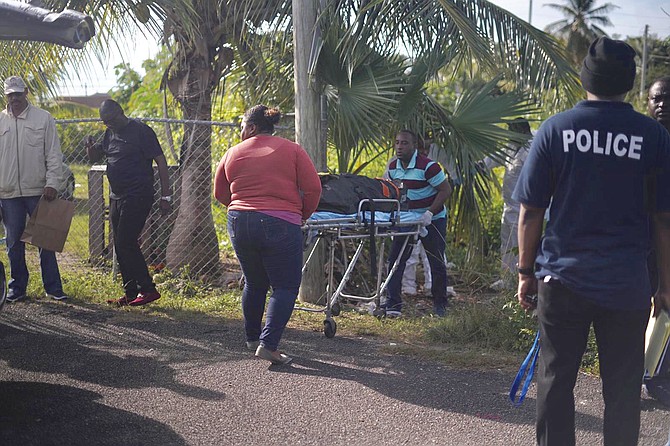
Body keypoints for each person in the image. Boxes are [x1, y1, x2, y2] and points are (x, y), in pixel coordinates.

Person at [514, 37, 670, 446]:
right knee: (622, 390)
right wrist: (666, 287)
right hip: (626, 285)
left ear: (586, 77)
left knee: (555, 380)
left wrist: (525, 273)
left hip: (562, 281)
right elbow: (663, 220)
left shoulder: (556, 129)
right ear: (629, 82)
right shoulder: (651, 137)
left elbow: (531, 210)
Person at [214, 105, 321, 365]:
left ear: (251, 128)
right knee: (284, 286)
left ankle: (252, 338)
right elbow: (313, 188)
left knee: (254, 282)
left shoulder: (231, 153)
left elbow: (220, 193)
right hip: (280, 222)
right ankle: (268, 345)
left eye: (242, 126)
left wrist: (243, 208)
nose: (241, 131)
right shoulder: (292, 150)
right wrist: (301, 214)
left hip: (239, 221)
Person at [85, 99, 171, 307]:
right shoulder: (108, 134)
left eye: (111, 120)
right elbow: (94, 156)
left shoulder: (141, 131)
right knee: (120, 244)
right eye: (105, 122)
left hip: (138, 195)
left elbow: (161, 161)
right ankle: (131, 292)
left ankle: (148, 289)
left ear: (121, 112)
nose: (108, 125)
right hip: (117, 196)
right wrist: (89, 147)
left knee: (126, 241)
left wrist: (166, 196)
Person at [0, 75, 68, 302]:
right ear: (6, 95)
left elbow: (53, 154)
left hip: (39, 191)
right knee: (13, 243)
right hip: (8, 193)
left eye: (18, 94)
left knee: (45, 241)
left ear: (26, 92)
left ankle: (53, 288)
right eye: (11, 95)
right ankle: (17, 288)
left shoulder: (43, 118)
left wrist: (52, 183)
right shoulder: (0, 120)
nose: (15, 98)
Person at [383, 129, 452, 317]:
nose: (399, 147)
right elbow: (391, 191)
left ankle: (440, 305)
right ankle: (393, 305)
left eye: (404, 143)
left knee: (436, 260)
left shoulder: (428, 166)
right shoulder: (392, 166)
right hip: (406, 218)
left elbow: (445, 190)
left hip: (432, 218)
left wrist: (429, 213)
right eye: (397, 142)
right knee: (395, 260)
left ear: (414, 146)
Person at [644, 76, 670, 407]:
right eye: (657, 99)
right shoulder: (642, 142)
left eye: (668, 98)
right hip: (642, 243)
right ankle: (643, 375)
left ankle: (658, 375)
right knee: (643, 309)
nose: (662, 104)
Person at [484, 118, 532, 290]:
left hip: (527, 208)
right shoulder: (510, 148)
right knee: (507, 243)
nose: (510, 134)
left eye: (513, 130)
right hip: (509, 207)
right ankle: (506, 279)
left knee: (524, 245)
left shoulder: (532, 149)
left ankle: (523, 280)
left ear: (523, 131)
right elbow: (488, 161)